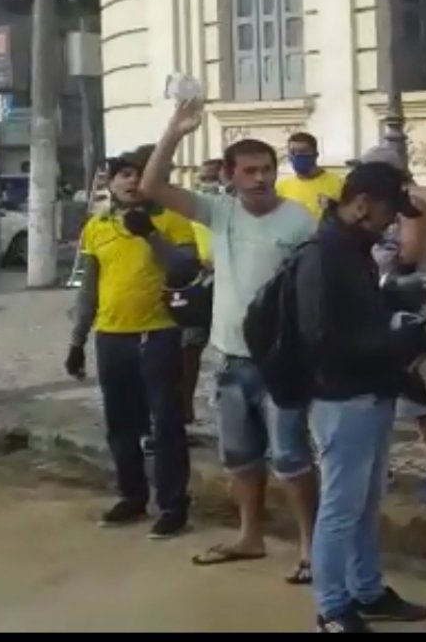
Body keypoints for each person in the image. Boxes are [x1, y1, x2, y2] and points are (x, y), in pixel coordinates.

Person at [141, 99, 320, 586]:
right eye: (250, 171)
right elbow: (151, 187)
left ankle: (311, 548)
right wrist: (175, 130)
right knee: (241, 457)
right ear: (231, 176)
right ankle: (249, 535)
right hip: (231, 359)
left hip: (281, 362)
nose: (260, 178)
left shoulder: (301, 221)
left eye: (267, 169)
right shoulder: (220, 213)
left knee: (292, 458)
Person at [296, 162, 426, 633]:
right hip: (341, 398)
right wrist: (394, 345)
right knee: (339, 507)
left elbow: (357, 317)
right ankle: (332, 608)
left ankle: (367, 590)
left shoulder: (355, 249)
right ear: (361, 203)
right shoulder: (323, 253)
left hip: (371, 390)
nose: (392, 221)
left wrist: (395, 305)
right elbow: (319, 337)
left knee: (365, 502)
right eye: (389, 210)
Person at [65, 149, 198, 537]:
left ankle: (174, 504)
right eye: (123, 174)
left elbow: (185, 268)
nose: (131, 182)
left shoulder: (172, 220)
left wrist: (150, 233)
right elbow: (88, 289)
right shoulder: (97, 226)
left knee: (166, 422)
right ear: (110, 182)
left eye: (139, 175)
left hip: (158, 334)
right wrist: (77, 341)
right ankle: (132, 495)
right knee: (120, 423)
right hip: (111, 337)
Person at [360, 144, 426, 506]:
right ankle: (380, 465)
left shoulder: (412, 207)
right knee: (373, 395)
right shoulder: (365, 209)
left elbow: (410, 254)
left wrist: (375, 251)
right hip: (371, 310)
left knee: (422, 396)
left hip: (408, 308)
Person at [182, 158, 224, 428]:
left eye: (213, 179)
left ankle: (222, 401)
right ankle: (185, 409)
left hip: (229, 282)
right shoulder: (188, 207)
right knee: (190, 346)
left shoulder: (230, 208)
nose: (208, 184)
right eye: (203, 178)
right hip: (197, 283)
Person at [276, 132, 345, 222]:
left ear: (316, 155)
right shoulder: (281, 187)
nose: (297, 155)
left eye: (303, 151)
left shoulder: (338, 183)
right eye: (293, 152)